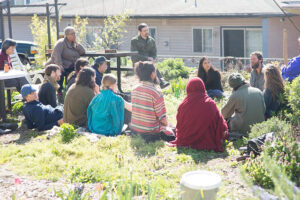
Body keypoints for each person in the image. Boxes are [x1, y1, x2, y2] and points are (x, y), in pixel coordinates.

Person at [168, 78, 228, 152]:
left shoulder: (183, 105)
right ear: (202, 87)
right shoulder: (210, 103)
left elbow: (179, 126)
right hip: (207, 141)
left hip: (186, 139)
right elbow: (220, 124)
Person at [130, 61, 175, 142]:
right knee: (172, 127)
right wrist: (168, 125)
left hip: (135, 129)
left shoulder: (134, 89)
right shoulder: (156, 93)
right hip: (150, 132)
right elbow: (163, 120)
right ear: (153, 74)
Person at [222, 73, 265, 137]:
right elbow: (263, 109)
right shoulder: (258, 91)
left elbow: (224, 114)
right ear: (244, 81)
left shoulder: (235, 95)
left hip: (244, 130)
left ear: (232, 87)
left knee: (227, 120)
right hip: (260, 127)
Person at [46, 26, 85, 95]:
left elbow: (82, 52)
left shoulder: (74, 43)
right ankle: (59, 94)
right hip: (59, 66)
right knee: (59, 73)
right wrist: (59, 65)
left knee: (76, 75)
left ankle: (70, 92)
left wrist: (76, 43)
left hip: (70, 66)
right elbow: (56, 54)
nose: (74, 35)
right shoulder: (61, 43)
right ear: (67, 35)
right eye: (72, 34)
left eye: (75, 33)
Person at [131, 23, 169, 89]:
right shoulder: (134, 40)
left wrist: (152, 58)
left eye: (147, 30)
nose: (147, 32)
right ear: (140, 32)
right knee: (150, 67)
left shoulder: (152, 40)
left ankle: (157, 84)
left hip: (149, 62)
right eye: (144, 31)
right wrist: (147, 58)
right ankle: (161, 81)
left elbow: (154, 53)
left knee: (150, 66)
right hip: (138, 62)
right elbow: (135, 55)